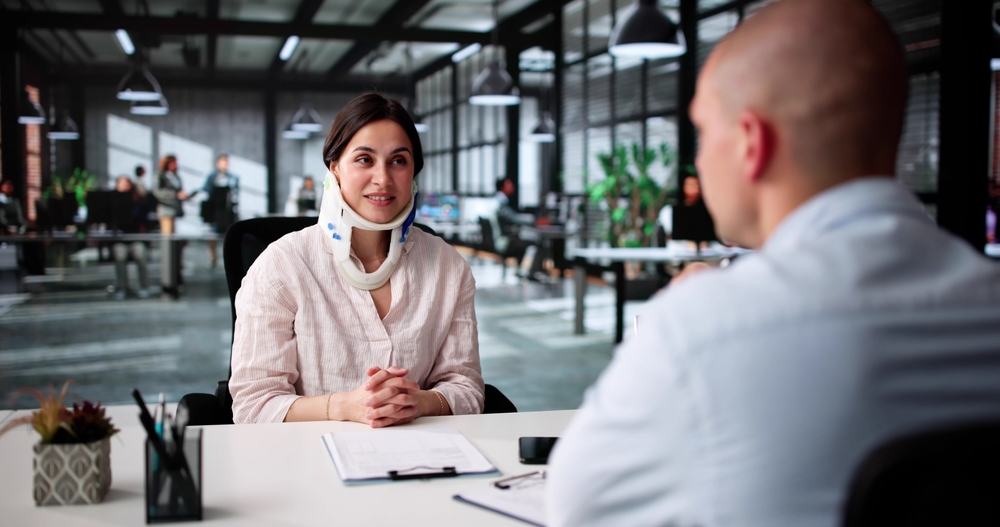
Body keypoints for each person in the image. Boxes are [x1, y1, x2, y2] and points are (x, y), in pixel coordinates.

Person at [547, 1, 1000, 526]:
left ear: (751, 144)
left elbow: (576, 508)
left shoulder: (701, 331)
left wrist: (673, 321)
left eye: (703, 133)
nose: (699, 162)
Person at [229, 92, 484, 426]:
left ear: (413, 174)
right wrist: (343, 407)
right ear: (334, 167)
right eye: (365, 159)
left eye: (399, 161)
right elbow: (253, 407)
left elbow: (467, 389)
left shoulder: (449, 268)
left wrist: (417, 402)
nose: (383, 178)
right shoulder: (280, 266)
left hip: (419, 451)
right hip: (309, 453)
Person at [109, 176, 150, 300]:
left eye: (127, 183)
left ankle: (144, 287)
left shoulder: (137, 201)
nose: (125, 186)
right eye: (121, 184)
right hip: (120, 239)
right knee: (120, 256)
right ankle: (122, 288)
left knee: (140, 254)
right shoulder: (112, 202)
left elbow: (144, 219)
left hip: (135, 238)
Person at [200, 154, 238, 267]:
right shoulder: (212, 177)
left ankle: (230, 257)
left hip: (227, 211)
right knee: (212, 235)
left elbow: (235, 193)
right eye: (223, 162)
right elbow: (206, 189)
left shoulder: (232, 177)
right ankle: (213, 257)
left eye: (226, 163)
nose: (225, 165)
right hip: (214, 211)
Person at [152, 155, 189, 235]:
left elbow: (179, 190)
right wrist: (175, 194)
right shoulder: (160, 175)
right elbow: (157, 191)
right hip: (166, 209)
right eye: (173, 163)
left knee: (175, 237)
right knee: (168, 237)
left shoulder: (176, 177)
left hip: (176, 210)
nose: (176, 165)